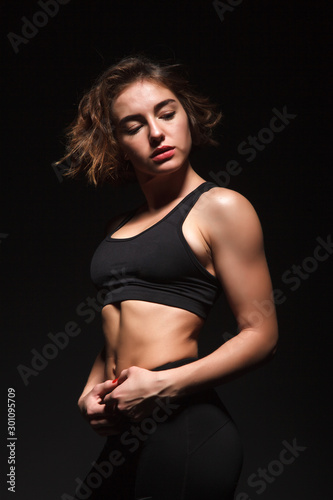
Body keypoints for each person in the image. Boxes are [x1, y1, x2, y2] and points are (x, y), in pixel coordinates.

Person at [59, 55, 278, 500]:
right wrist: (88, 393)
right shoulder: (118, 227)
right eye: (133, 125)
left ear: (187, 117)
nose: (156, 132)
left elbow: (261, 334)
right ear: (116, 142)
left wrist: (160, 385)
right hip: (127, 431)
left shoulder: (221, 208)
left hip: (187, 427)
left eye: (166, 113)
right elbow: (119, 324)